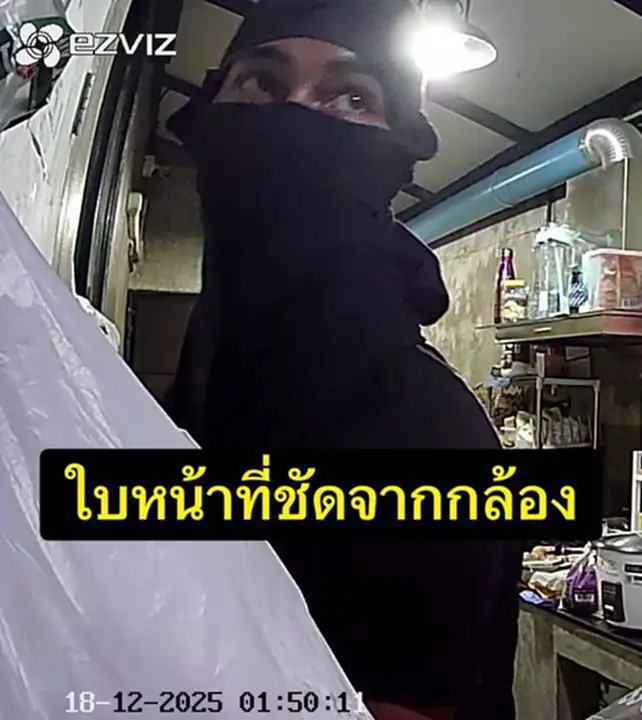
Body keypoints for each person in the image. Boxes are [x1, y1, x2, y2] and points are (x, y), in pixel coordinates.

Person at [164, 0, 521, 718]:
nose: (295, 113)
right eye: (262, 83)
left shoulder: (430, 442)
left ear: (395, 158)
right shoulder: (189, 385)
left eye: (352, 97)